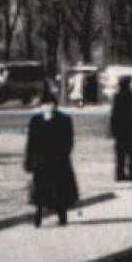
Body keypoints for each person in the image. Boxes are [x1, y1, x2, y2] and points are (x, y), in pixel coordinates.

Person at [24, 91, 80, 227]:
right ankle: (38, 217)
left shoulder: (64, 119)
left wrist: (63, 154)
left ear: (55, 105)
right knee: (40, 190)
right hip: (41, 160)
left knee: (59, 190)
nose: (47, 107)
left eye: (50, 104)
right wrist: (29, 160)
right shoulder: (36, 120)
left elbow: (69, 140)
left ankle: (62, 215)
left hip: (58, 160)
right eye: (45, 105)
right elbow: (31, 142)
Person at [110, 75, 132, 181]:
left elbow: (114, 114)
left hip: (120, 127)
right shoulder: (131, 96)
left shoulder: (117, 96)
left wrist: (113, 129)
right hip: (130, 126)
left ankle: (120, 173)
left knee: (120, 152)